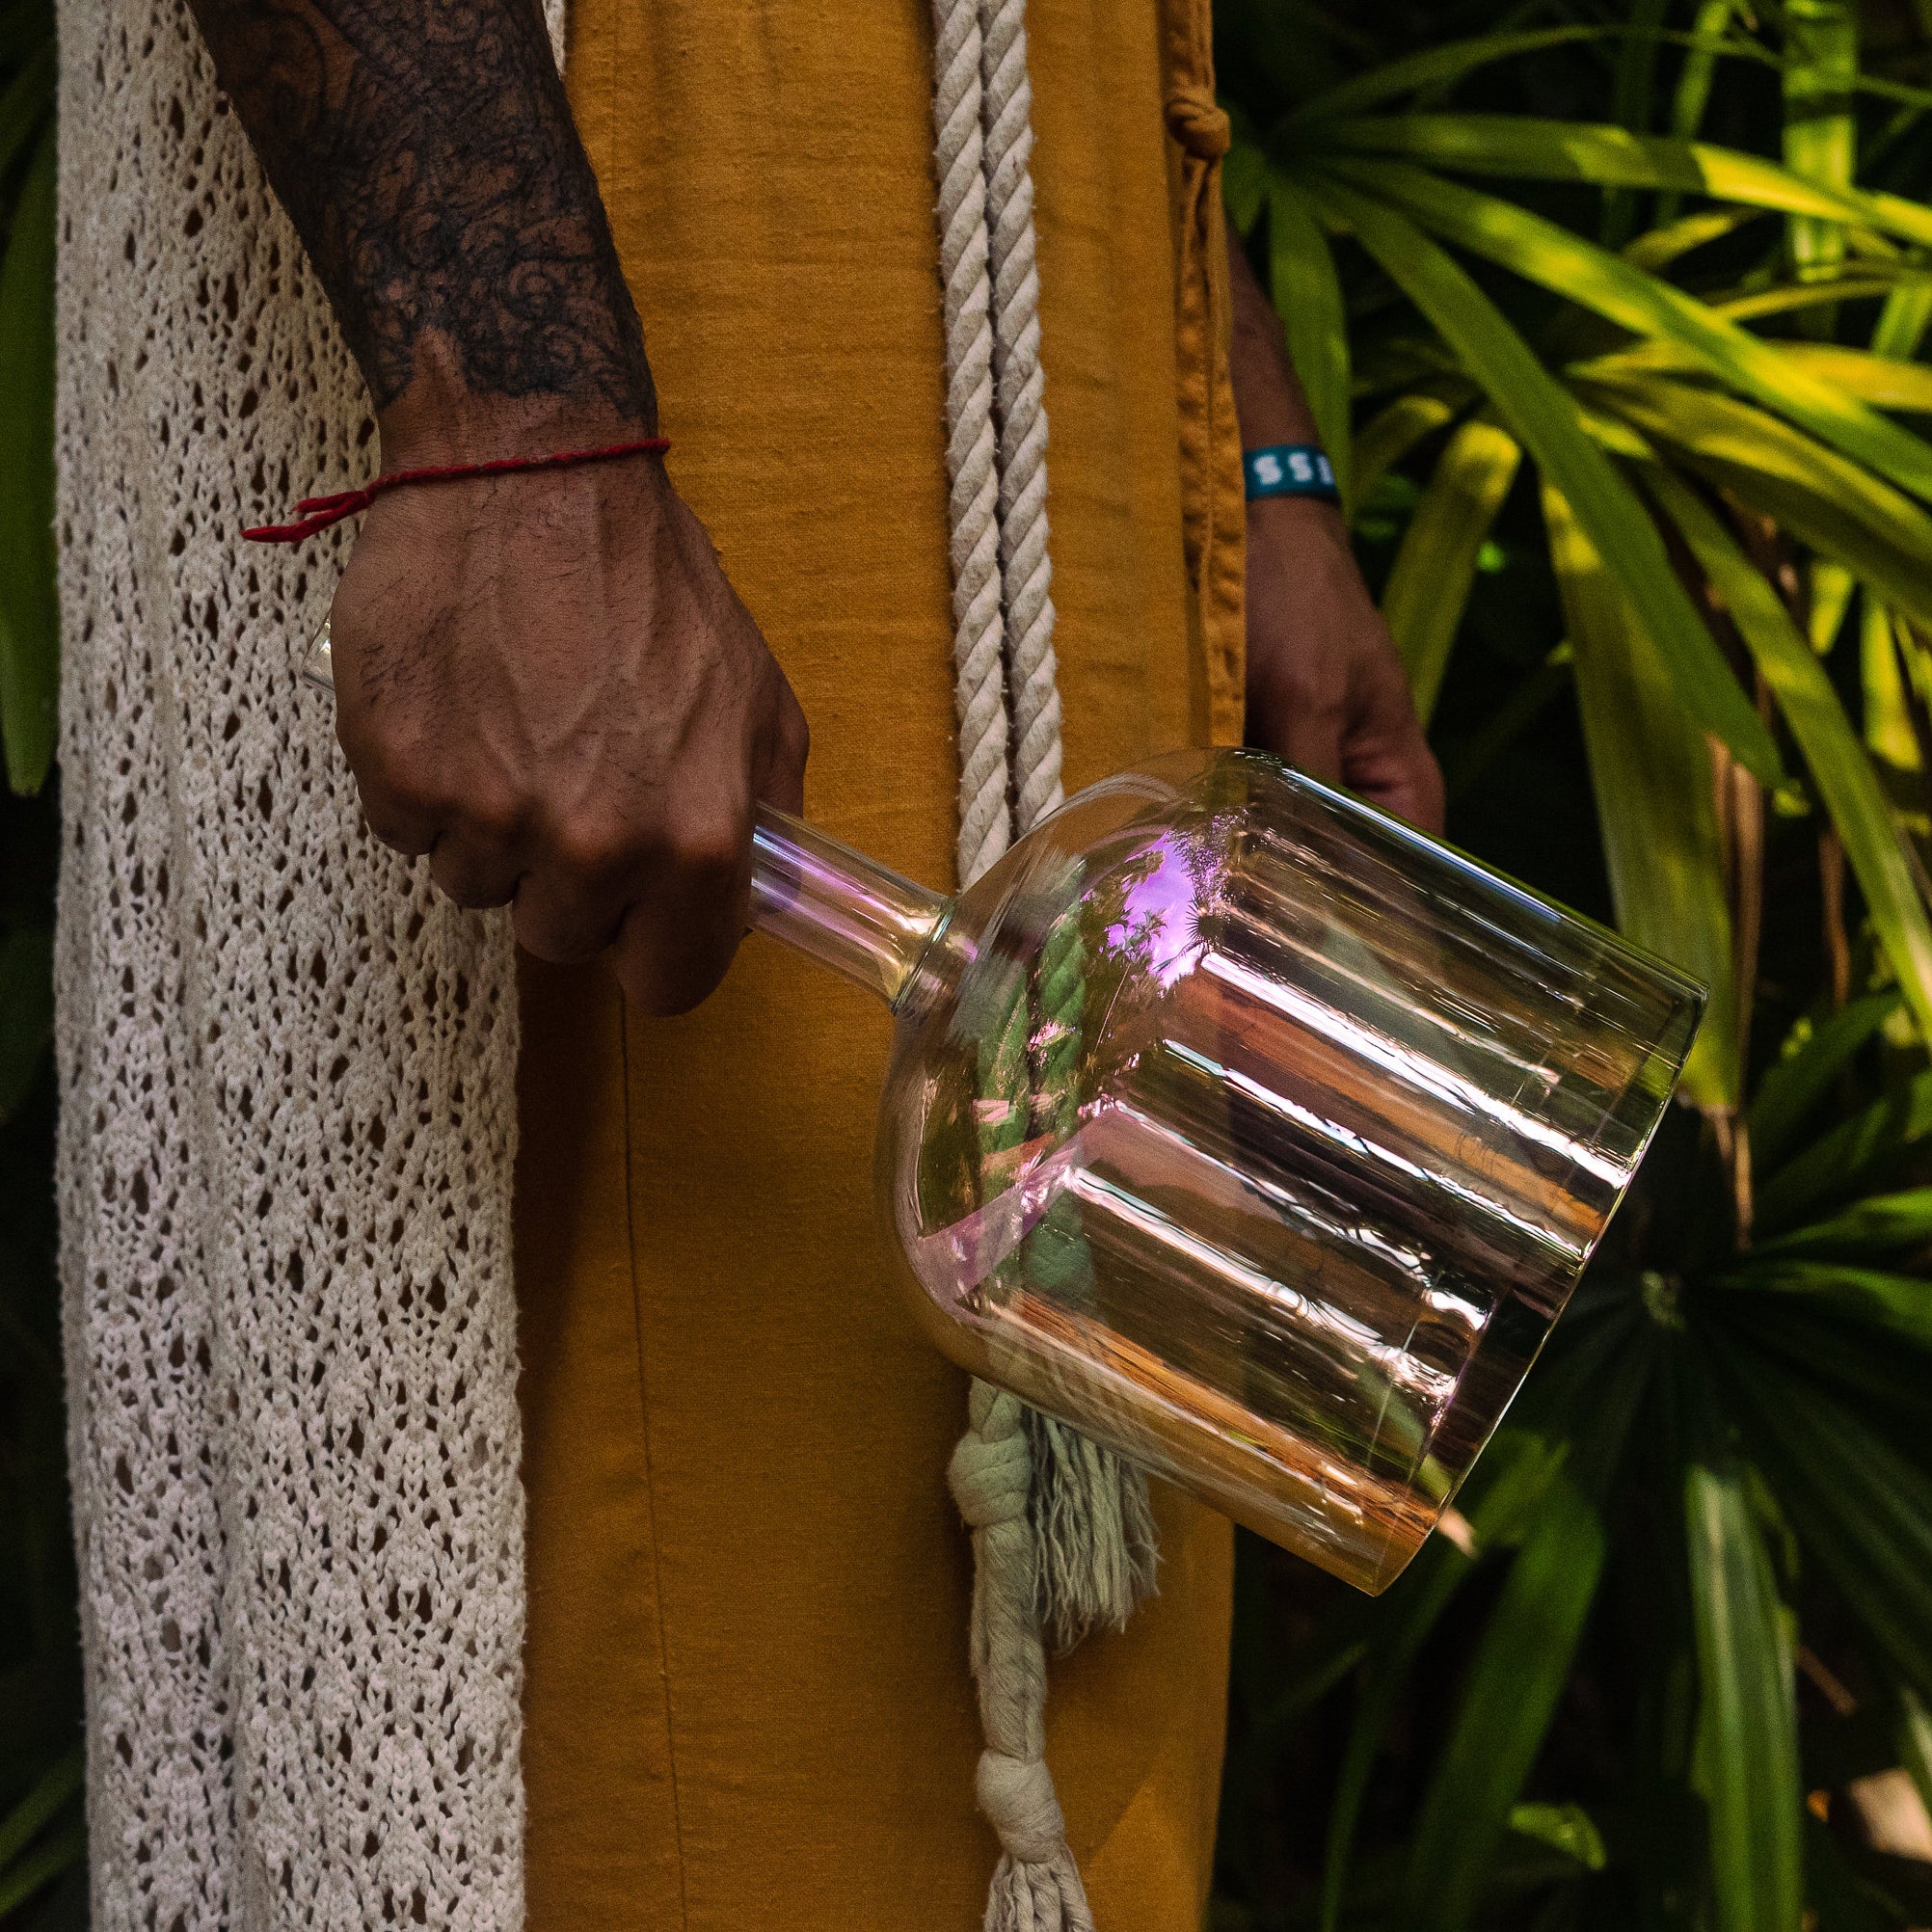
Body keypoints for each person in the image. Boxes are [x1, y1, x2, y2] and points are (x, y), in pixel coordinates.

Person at [73, 0, 1439, 1924]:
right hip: (645, 202)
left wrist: (1260, 450)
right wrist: (512, 417)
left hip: (1055, 256)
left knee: (1084, 1694)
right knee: (719, 1694)